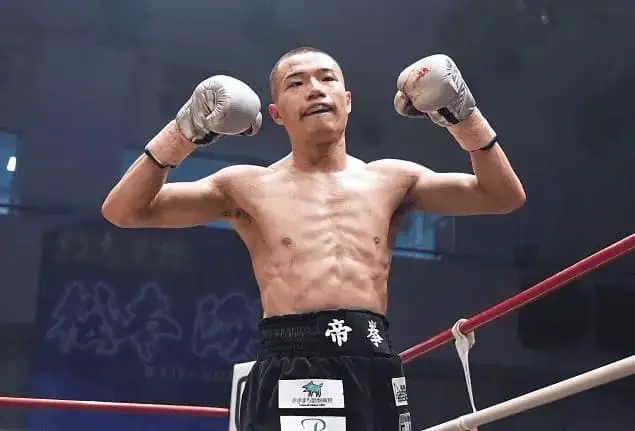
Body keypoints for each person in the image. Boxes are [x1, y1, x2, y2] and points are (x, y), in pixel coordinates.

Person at [102, 47, 525, 431]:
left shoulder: (393, 179)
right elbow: (123, 211)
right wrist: (184, 131)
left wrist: (463, 114)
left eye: (327, 79)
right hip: (291, 363)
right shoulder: (245, 187)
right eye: (296, 83)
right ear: (276, 113)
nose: (315, 89)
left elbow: (502, 196)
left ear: (348, 100)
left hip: (373, 361)